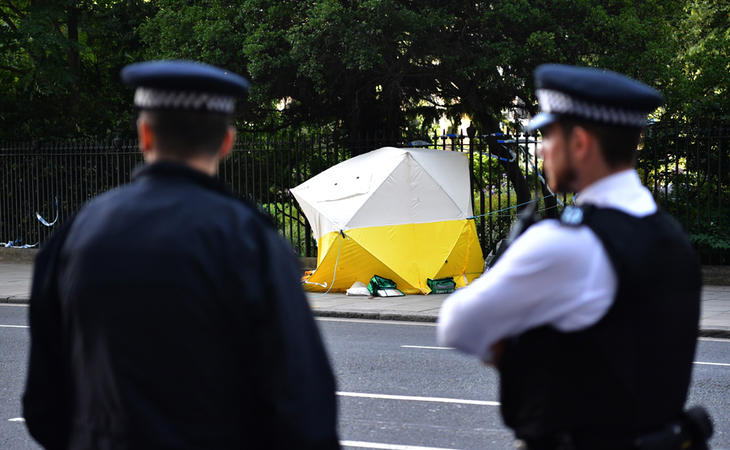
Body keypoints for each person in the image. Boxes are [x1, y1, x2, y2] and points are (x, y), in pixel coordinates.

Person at [23, 60, 340, 450]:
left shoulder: (77, 233)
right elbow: (304, 406)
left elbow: (44, 405)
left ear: (144, 135)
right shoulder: (251, 241)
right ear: (226, 141)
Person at [437, 64, 707, 449]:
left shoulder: (568, 244)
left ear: (579, 143)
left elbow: (456, 324)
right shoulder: (671, 236)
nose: (543, 148)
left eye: (547, 134)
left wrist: (511, 348)